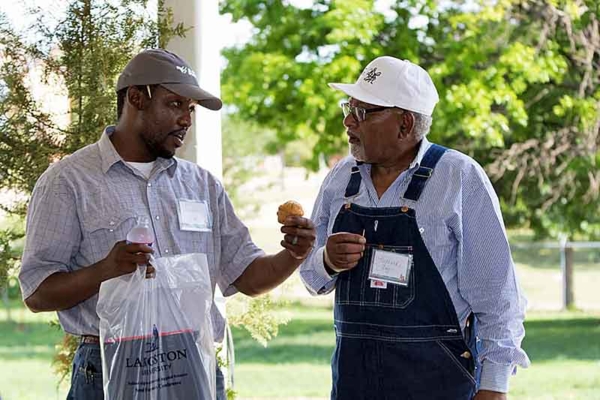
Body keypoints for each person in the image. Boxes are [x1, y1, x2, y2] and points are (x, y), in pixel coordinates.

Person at [19, 48, 316, 400]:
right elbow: (37, 293)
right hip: (110, 368)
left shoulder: (202, 185)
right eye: (175, 104)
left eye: (190, 109)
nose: (186, 120)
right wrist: (105, 269)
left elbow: (247, 277)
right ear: (135, 98)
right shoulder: (68, 181)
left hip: (194, 364)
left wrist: (294, 255)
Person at [300, 56, 530, 400]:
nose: (349, 121)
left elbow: (498, 299)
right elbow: (311, 277)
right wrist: (327, 261)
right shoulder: (340, 179)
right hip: (354, 386)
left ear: (405, 124)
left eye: (362, 112)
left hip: (439, 385)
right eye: (348, 107)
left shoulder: (459, 177)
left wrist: (494, 387)